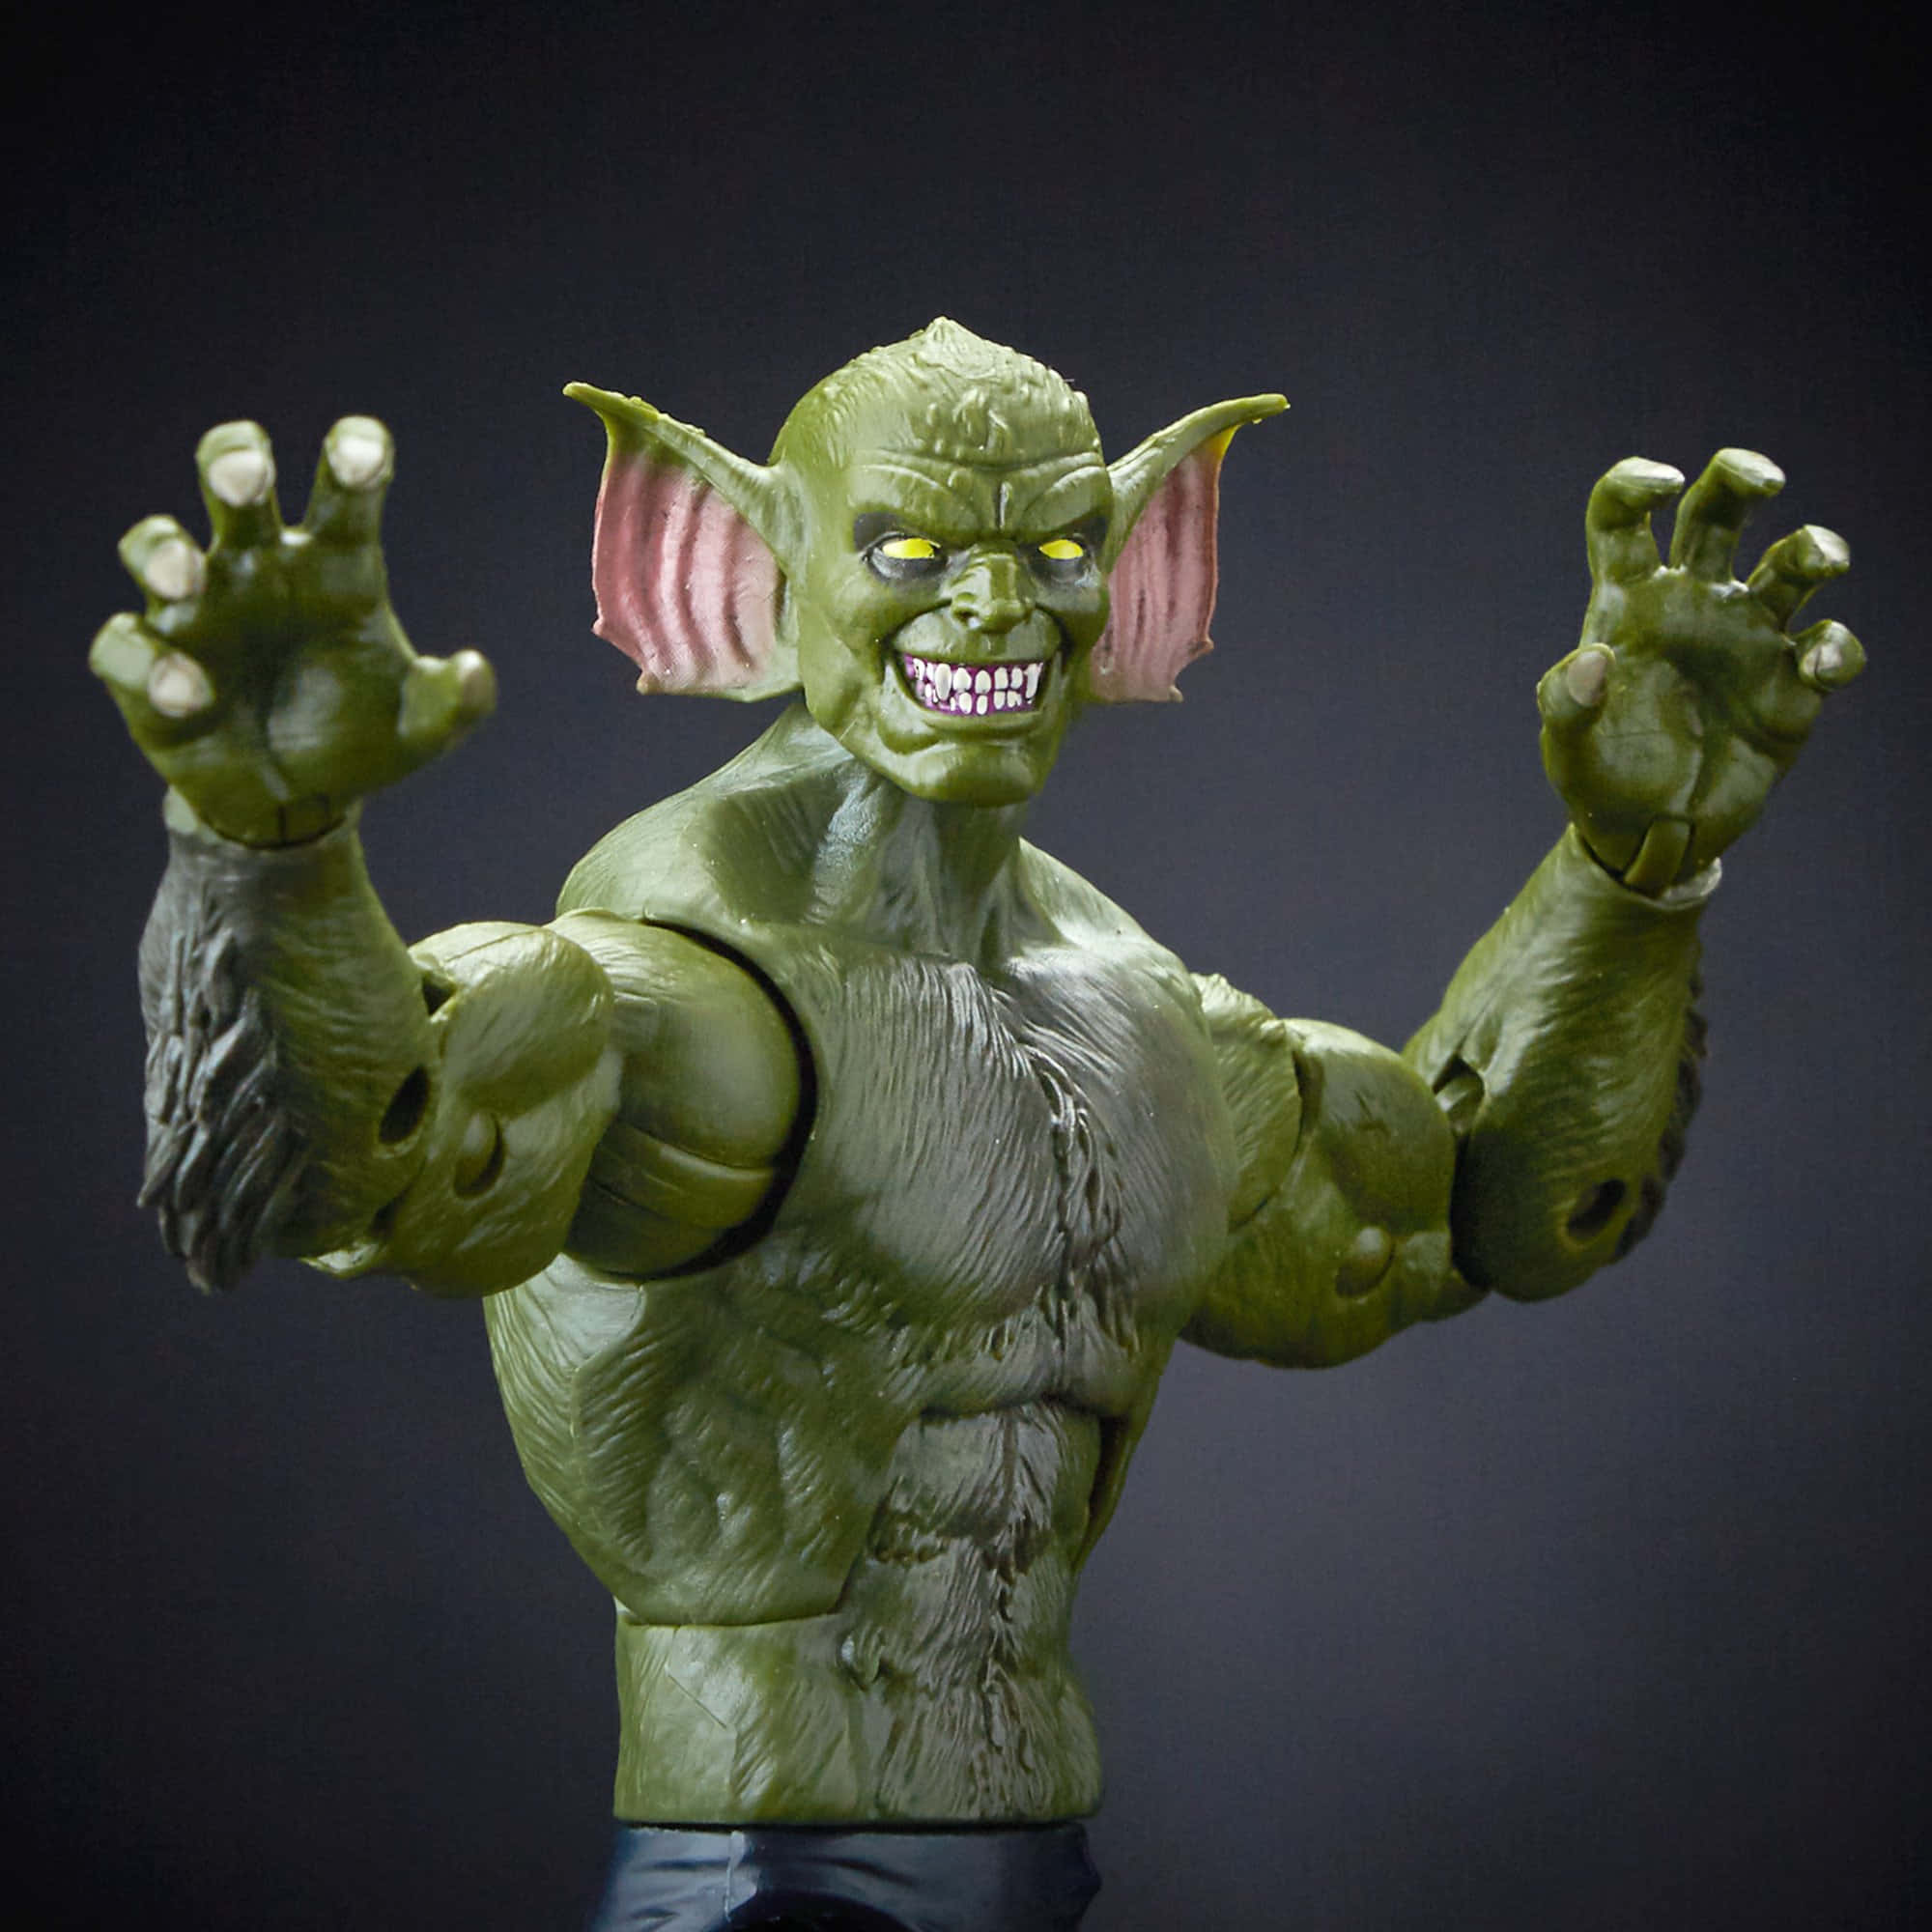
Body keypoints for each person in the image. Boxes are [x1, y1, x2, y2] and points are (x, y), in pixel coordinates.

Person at [93, 320, 1863, 1931]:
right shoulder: (677, 987)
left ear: (1144, 563)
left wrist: (1633, 875)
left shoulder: (1138, 1009)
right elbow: (353, 1169)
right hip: (766, 1879)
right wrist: (269, 856)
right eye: (913, 552)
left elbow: (1475, 1215)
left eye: (1058, 553)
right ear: (736, 561)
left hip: (1031, 1858)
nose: (998, 607)